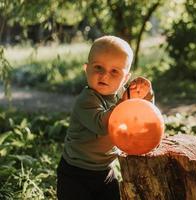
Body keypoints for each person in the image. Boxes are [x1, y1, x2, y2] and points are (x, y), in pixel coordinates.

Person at [56, 35, 154, 200]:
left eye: (114, 71)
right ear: (86, 68)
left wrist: (145, 95)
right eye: (98, 67)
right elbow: (102, 125)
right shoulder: (86, 100)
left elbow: (143, 114)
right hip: (75, 173)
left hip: (106, 170)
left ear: (125, 78)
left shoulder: (122, 96)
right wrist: (125, 103)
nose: (104, 76)